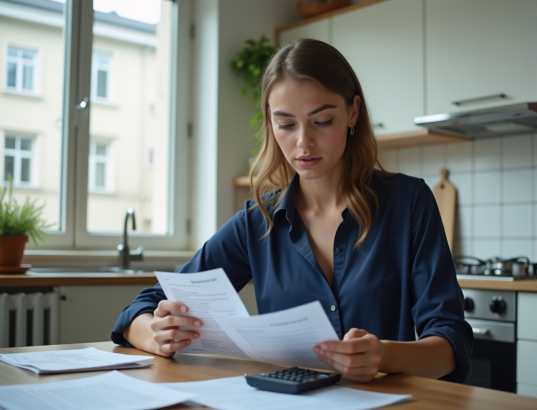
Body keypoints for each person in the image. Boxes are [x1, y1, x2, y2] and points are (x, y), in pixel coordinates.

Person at [112, 39, 473, 383]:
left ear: (353, 113)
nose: (303, 142)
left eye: (322, 121)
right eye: (286, 124)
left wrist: (385, 355)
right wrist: (154, 332)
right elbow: (142, 307)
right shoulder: (257, 223)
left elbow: (450, 341)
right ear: (271, 124)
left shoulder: (409, 202)